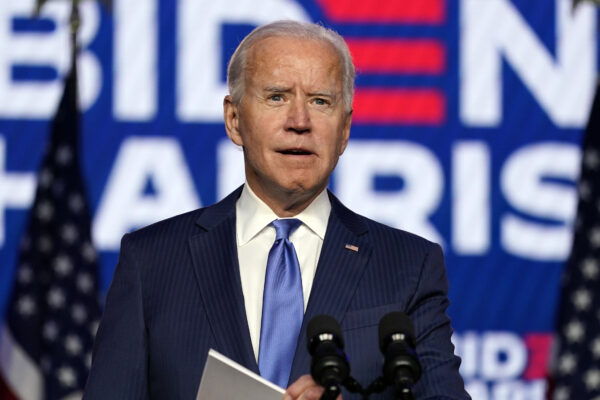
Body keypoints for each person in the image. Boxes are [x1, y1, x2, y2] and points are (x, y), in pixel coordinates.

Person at [83, 20, 469, 400]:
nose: (299, 122)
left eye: (321, 101)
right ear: (234, 120)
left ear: (345, 130)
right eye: (277, 97)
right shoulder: (153, 261)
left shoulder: (408, 266)